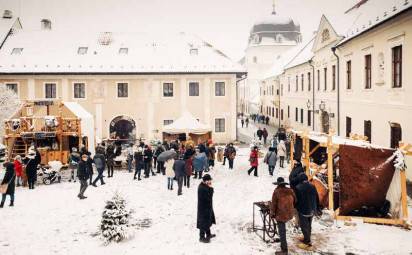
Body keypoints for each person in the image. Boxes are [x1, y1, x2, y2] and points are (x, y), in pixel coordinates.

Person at [294, 173, 321, 250]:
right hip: (312, 209)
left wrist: (296, 207)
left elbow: (296, 200)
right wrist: (317, 208)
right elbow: (317, 197)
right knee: (309, 224)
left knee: (303, 226)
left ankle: (307, 241)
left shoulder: (298, 187)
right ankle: (307, 237)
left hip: (303, 210)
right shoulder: (312, 186)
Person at [270, 177, 296, 254]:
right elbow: (295, 200)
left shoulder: (277, 191)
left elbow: (273, 204)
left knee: (282, 231)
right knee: (282, 230)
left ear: (278, 184)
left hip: (281, 215)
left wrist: (272, 214)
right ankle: (282, 240)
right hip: (290, 213)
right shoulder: (290, 190)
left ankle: (284, 250)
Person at [197, 174, 216, 243]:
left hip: (207, 207)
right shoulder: (202, 188)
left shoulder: (204, 185)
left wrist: (209, 187)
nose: (210, 181)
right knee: (203, 222)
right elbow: (209, 197)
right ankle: (201, 237)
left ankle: (208, 234)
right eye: (209, 180)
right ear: (206, 181)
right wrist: (211, 188)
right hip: (203, 209)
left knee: (208, 221)